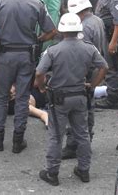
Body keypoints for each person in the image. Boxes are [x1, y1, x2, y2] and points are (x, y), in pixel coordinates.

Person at [0, 0, 56, 153]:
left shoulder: (1, 1)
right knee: (22, 97)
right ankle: (18, 140)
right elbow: (51, 31)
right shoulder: (37, 3)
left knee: (1, 96)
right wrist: (37, 40)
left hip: (6, 54)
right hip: (26, 55)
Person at [36, 13, 108, 186]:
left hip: (59, 98)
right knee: (82, 134)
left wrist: (41, 87)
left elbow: (39, 72)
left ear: (61, 30)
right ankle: (84, 170)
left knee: (56, 136)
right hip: (80, 95)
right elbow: (104, 66)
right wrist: (92, 84)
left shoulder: (53, 50)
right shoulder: (89, 48)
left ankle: (52, 172)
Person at [61, 0, 107, 160]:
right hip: (94, 71)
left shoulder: (83, 28)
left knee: (77, 112)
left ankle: (75, 145)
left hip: (84, 74)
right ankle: (86, 141)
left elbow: (80, 54)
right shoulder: (97, 21)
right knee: (88, 107)